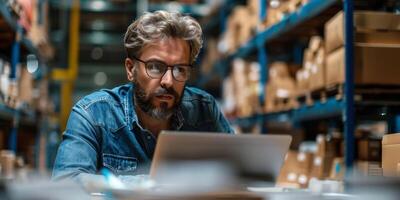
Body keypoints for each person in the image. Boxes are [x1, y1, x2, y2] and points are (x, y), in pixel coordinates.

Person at [52, 11, 234, 182]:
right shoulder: (93, 115)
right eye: (155, 67)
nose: (168, 81)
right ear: (131, 69)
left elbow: (239, 173)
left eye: (180, 69)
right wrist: (157, 186)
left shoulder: (205, 111)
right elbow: (66, 183)